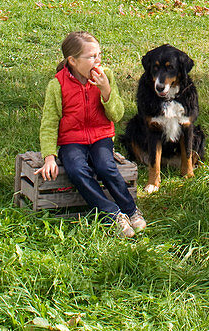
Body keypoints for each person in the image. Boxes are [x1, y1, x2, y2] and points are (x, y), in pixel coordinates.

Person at [37, 31, 146, 238]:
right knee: (76, 169)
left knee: (105, 167)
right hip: (72, 141)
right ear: (73, 60)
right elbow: (49, 123)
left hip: (101, 137)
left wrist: (106, 90)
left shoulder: (106, 77)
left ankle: (131, 211)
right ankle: (112, 214)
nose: (98, 60)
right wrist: (49, 156)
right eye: (91, 56)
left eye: (99, 54)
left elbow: (116, 114)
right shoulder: (57, 85)